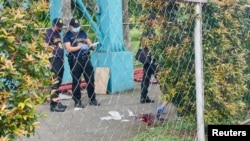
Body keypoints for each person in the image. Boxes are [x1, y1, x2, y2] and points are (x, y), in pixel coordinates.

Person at [63, 18, 100, 109]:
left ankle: (92, 99)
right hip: (75, 60)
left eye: (78, 26)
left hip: (86, 59)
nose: (77, 28)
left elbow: (88, 42)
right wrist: (80, 47)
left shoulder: (82, 32)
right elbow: (69, 49)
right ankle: (77, 101)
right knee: (76, 81)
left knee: (90, 79)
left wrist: (90, 46)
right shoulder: (67, 35)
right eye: (75, 27)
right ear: (70, 27)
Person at [45, 18, 67, 112]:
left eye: (61, 26)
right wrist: (47, 61)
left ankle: (57, 101)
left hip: (59, 59)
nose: (60, 28)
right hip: (53, 59)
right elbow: (45, 46)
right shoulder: (49, 33)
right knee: (54, 82)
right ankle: (53, 105)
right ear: (54, 25)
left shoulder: (57, 33)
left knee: (59, 81)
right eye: (59, 26)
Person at [139, 13, 159, 104]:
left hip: (147, 58)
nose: (156, 22)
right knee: (159, 75)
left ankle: (143, 96)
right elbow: (146, 44)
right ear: (151, 20)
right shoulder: (148, 32)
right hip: (150, 57)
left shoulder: (147, 30)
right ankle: (168, 94)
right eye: (155, 20)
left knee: (146, 77)